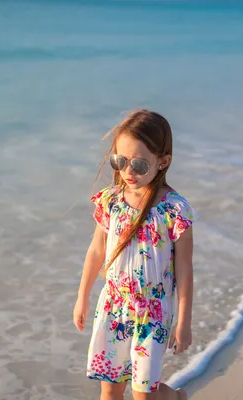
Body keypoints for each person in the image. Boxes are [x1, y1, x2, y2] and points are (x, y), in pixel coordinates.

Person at [73, 109, 196, 400]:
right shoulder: (111, 201)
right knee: (110, 388)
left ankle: (174, 397)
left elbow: (185, 269)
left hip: (153, 311)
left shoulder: (174, 210)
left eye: (139, 164)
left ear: (162, 161)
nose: (128, 172)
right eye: (120, 161)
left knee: (143, 395)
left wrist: (184, 322)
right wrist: (82, 297)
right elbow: (96, 251)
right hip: (113, 307)